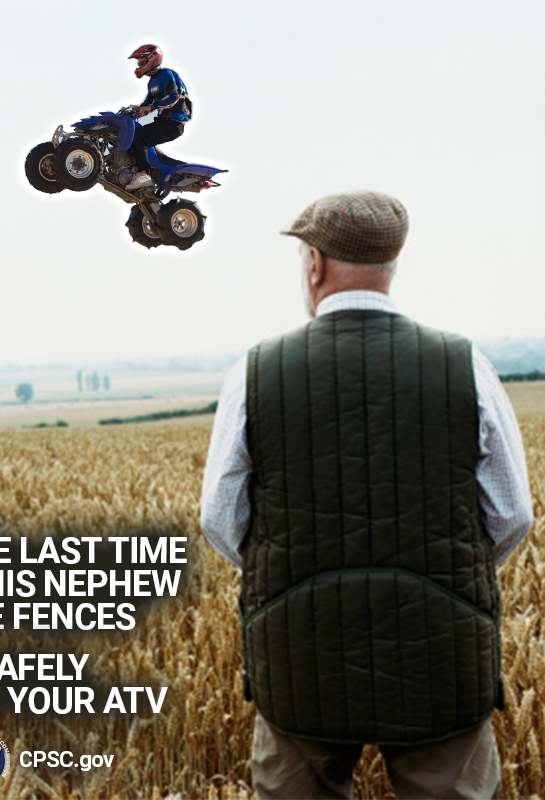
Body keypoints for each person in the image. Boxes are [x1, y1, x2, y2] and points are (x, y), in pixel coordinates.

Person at [200, 190, 534, 799]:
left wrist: (291, 574)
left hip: (300, 651)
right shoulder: (466, 364)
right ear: (392, 264)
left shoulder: (254, 372)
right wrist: (444, 576)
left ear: (315, 265)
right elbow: (512, 515)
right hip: (442, 650)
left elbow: (220, 519)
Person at [125, 44, 191, 190]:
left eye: (141, 62)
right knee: (133, 134)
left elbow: (173, 97)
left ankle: (144, 174)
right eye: (139, 63)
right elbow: (147, 104)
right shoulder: (152, 81)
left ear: (152, 59)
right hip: (163, 122)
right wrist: (134, 112)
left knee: (138, 137)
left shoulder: (166, 74)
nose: (139, 65)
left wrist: (152, 108)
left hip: (174, 123)